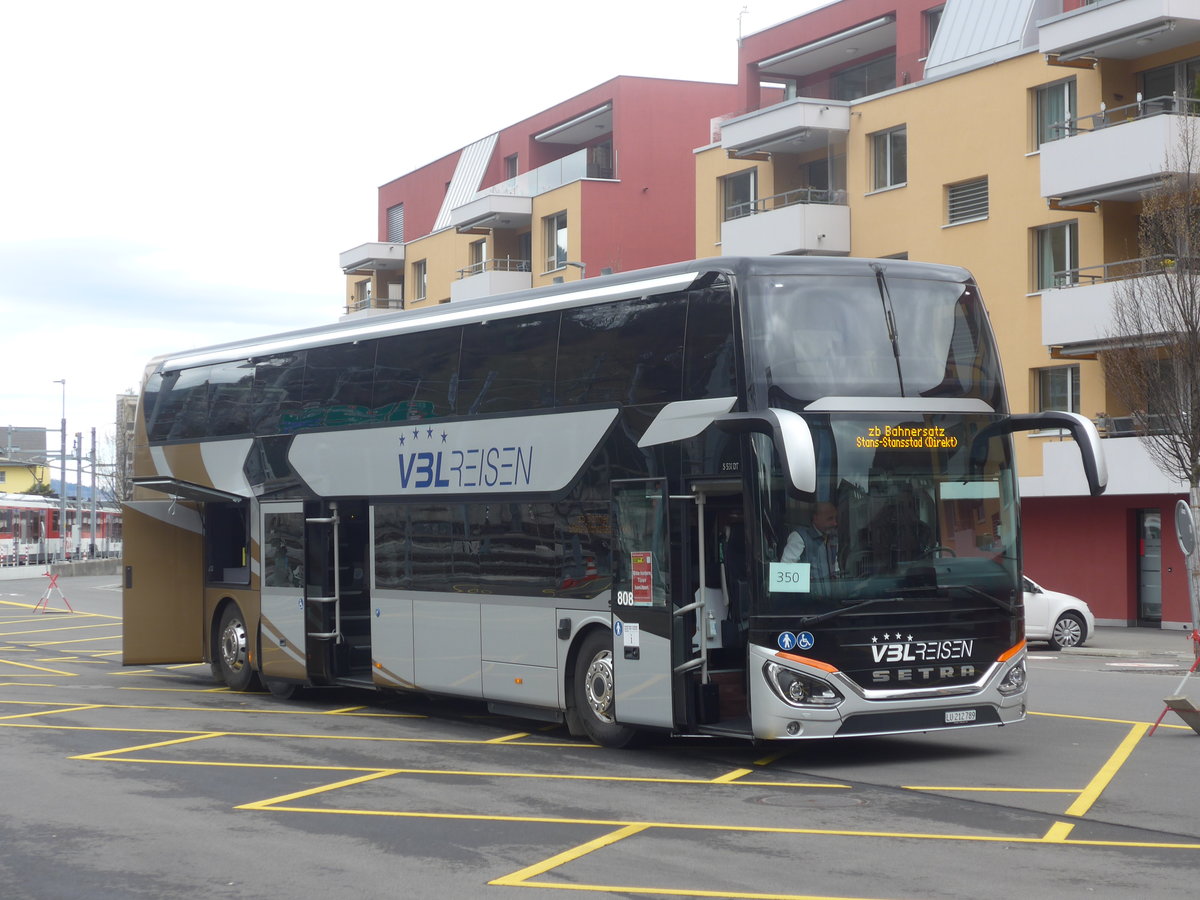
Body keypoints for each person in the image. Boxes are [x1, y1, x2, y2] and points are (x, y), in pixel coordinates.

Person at [781, 501, 839, 579]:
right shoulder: (799, 537)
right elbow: (786, 568)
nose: (835, 523)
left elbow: (835, 569)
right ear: (816, 518)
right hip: (809, 590)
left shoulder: (832, 539)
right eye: (830, 518)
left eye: (835, 518)